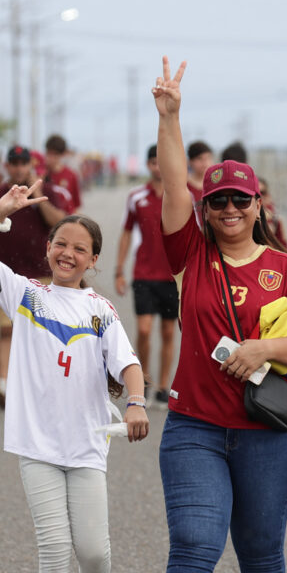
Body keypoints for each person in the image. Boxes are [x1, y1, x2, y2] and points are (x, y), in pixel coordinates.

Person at [150, 58, 287, 573]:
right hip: (195, 425)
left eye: (239, 199)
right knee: (195, 540)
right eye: (217, 200)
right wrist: (170, 117)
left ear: (258, 205)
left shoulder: (286, 267)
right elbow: (174, 184)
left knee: (259, 545)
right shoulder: (190, 256)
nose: (227, 208)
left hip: (267, 434)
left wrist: (260, 349)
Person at [0, 182, 149, 573]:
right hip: (36, 444)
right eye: (60, 244)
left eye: (79, 248)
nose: (67, 253)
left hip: (88, 441)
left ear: (93, 259)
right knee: (54, 548)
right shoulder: (27, 294)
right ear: (47, 248)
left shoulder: (101, 311)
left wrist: (136, 403)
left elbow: (129, 364)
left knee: (93, 550)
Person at [0, 145, 71, 408]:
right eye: (14, 163)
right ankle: (5, 384)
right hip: (6, 275)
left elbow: (61, 224)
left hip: (43, 273)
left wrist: (39, 194)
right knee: (7, 330)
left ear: (31, 165)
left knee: (42, 333)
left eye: (24, 163)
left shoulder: (50, 193)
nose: (19, 168)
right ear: (7, 166)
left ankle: (43, 385)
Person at [115, 144, 179, 408]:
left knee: (167, 332)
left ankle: (164, 385)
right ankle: (145, 378)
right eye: (153, 162)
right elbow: (127, 232)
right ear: (148, 165)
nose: (157, 167)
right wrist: (119, 270)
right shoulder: (136, 196)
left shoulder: (179, 196)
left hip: (173, 276)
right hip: (143, 273)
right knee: (143, 330)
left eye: (161, 162)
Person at [44, 134, 82, 213]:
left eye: (55, 154)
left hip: (66, 219)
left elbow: (76, 205)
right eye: (49, 153)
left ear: (63, 154)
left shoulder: (71, 175)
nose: (51, 158)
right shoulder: (41, 174)